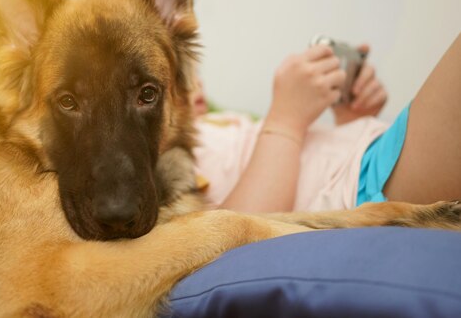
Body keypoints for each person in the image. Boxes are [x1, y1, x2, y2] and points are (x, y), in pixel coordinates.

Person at [193, 34, 461, 213]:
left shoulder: (215, 121)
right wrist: (285, 121)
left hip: (367, 162)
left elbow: (310, 164)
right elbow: (234, 230)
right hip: (363, 190)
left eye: (194, 74)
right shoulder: (172, 159)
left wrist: (351, 120)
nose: (196, 84)